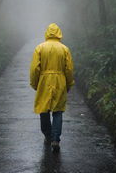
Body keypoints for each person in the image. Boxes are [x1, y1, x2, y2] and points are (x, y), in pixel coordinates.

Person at [30, 23, 75, 152]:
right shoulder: (64, 49)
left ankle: (47, 135)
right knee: (58, 110)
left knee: (43, 109)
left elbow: (34, 69)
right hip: (59, 80)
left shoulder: (40, 48)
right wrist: (69, 83)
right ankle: (55, 139)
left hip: (44, 80)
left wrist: (34, 83)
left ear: (47, 33)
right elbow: (69, 69)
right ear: (59, 33)